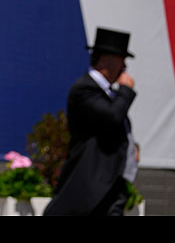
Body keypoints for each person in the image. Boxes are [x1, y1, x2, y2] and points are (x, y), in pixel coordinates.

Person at [44, 27, 139, 216]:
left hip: (111, 185)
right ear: (105, 59)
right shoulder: (84, 90)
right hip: (91, 188)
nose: (124, 66)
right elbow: (112, 117)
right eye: (121, 59)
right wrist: (126, 90)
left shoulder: (107, 93)